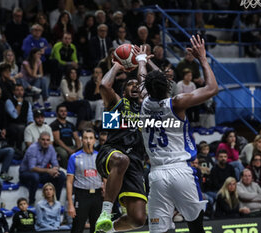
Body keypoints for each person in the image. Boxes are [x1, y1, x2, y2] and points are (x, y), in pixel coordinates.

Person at [140, 35, 218, 233]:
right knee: (196, 227)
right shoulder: (177, 102)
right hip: (181, 171)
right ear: (167, 85)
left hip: (156, 174)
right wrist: (202, 58)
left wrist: (143, 61)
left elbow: (145, 82)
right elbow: (212, 88)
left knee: (159, 230)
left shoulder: (143, 103)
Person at [94, 53, 153, 233]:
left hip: (135, 162)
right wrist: (117, 66)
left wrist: (146, 62)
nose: (135, 85)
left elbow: (150, 87)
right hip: (111, 153)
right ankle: (105, 213)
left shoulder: (147, 108)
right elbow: (104, 85)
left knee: (138, 219)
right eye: (130, 84)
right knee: (122, 159)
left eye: (137, 84)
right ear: (124, 91)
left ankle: (108, 230)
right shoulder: (118, 103)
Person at [67, 128, 103, 233]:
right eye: (86, 138)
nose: (88, 141)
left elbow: (105, 177)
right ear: (82, 140)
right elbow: (69, 182)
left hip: (97, 195)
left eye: (91, 138)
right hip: (81, 195)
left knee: (97, 228)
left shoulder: (99, 156)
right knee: (77, 228)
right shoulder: (74, 157)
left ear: (95, 140)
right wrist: (70, 204)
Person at [19, 132, 66, 205]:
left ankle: (55, 201)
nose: (45, 142)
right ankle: (31, 202)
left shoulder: (51, 148)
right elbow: (32, 168)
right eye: (43, 140)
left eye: (47, 140)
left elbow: (55, 163)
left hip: (42, 173)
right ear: (38, 140)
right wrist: (48, 170)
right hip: (26, 173)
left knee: (61, 175)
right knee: (35, 176)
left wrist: (55, 170)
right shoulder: (33, 148)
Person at [50, 104, 81, 169]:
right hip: (60, 147)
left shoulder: (71, 124)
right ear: (57, 112)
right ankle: (66, 172)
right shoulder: (54, 124)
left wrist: (78, 148)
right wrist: (69, 150)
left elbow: (76, 138)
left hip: (71, 146)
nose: (64, 113)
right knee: (64, 154)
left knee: (82, 151)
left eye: (65, 111)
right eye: (61, 111)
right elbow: (57, 140)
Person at [5, 84, 33, 152]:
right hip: (11, 125)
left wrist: (32, 126)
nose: (20, 92)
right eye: (17, 90)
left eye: (21, 90)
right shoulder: (9, 101)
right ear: (13, 92)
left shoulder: (27, 103)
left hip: (23, 125)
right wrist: (19, 103)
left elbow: (30, 117)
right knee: (20, 128)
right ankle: (18, 149)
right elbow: (15, 116)